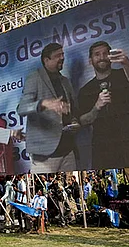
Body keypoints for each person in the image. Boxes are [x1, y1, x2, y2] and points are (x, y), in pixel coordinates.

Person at [77, 41, 129, 168]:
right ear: (90, 61)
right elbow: (83, 121)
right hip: (103, 147)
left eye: (105, 53)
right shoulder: (85, 90)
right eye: (97, 54)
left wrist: (126, 63)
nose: (102, 57)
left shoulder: (124, 74)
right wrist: (96, 107)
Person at [18, 43, 80, 173]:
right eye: (58, 55)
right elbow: (22, 108)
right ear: (46, 60)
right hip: (44, 155)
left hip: (68, 150)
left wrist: (74, 121)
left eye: (63, 54)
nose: (62, 58)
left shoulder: (65, 81)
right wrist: (43, 103)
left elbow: (73, 109)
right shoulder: (34, 78)